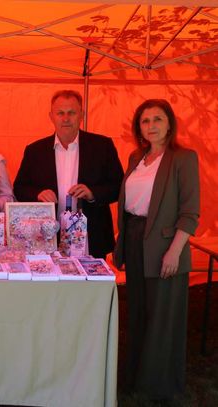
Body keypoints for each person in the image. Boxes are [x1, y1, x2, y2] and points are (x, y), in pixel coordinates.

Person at [114, 99, 200, 401]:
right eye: (145, 120)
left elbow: (190, 213)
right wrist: (122, 241)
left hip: (166, 247)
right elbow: (130, 205)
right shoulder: (136, 157)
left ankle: (158, 387)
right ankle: (135, 378)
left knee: (162, 319)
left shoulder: (183, 158)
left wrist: (174, 252)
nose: (151, 126)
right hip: (135, 241)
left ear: (169, 124)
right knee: (138, 314)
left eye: (157, 119)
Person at [13, 90, 123, 259]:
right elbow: (19, 188)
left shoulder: (103, 146)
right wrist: (37, 194)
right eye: (60, 113)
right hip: (47, 238)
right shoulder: (35, 151)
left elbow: (119, 186)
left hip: (91, 238)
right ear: (51, 116)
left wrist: (92, 193)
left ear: (82, 115)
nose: (66, 118)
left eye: (71, 112)